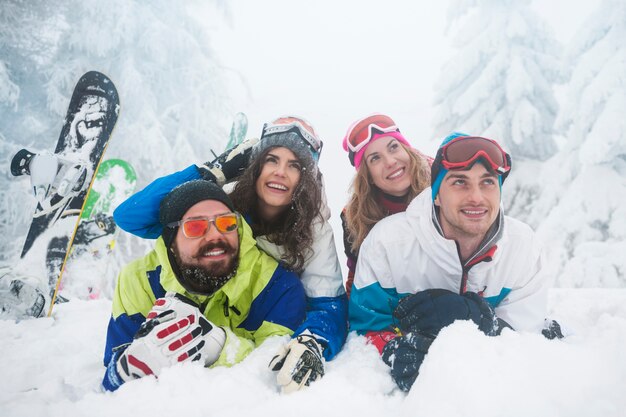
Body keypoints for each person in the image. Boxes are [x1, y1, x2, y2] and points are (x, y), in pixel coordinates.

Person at [112, 116, 347, 393]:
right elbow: (130, 217)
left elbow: (328, 303)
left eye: (294, 165)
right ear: (257, 167)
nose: (280, 171)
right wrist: (211, 173)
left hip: (263, 315)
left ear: (304, 179)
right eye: (272, 160)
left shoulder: (313, 228)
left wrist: (313, 340)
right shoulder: (223, 202)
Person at [349, 133, 561, 392]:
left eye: (488, 182)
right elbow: (366, 325)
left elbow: (523, 337)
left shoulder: (522, 248)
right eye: (460, 182)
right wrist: (393, 348)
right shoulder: (386, 245)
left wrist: (478, 320)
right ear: (436, 194)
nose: (476, 197)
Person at [102, 180, 307, 391]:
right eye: (196, 226)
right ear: (171, 241)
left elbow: (277, 372)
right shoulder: (140, 281)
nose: (215, 235)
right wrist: (122, 373)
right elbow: (114, 376)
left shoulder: (277, 286)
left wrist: (222, 347)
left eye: (227, 223)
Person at [340, 114, 432, 297]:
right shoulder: (355, 218)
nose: (390, 162)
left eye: (394, 147)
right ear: (368, 176)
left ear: (407, 150)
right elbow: (359, 279)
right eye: (375, 158)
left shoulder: (442, 186)